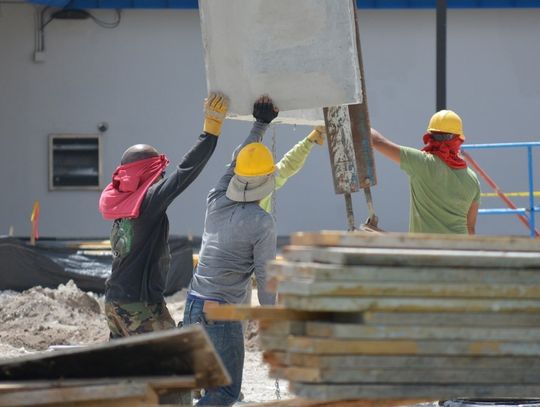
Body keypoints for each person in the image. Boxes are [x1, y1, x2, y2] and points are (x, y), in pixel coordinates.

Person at [98, 92, 229, 339]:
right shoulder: (148, 201)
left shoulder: (124, 204)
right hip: (138, 304)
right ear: (150, 173)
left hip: (116, 302)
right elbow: (184, 172)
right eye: (159, 173)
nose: (162, 178)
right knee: (176, 357)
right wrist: (210, 132)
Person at [183, 96, 279, 406]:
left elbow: (238, 159)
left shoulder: (217, 198)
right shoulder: (262, 223)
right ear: (267, 181)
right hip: (221, 314)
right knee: (224, 393)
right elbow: (266, 279)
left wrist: (260, 125)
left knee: (211, 390)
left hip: (193, 307)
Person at [370, 109, 481, 234]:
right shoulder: (472, 179)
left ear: (430, 136)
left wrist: (353, 119)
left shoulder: (421, 163)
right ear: (459, 140)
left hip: (426, 250)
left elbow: (376, 141)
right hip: (458, 250)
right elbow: (470, 228)